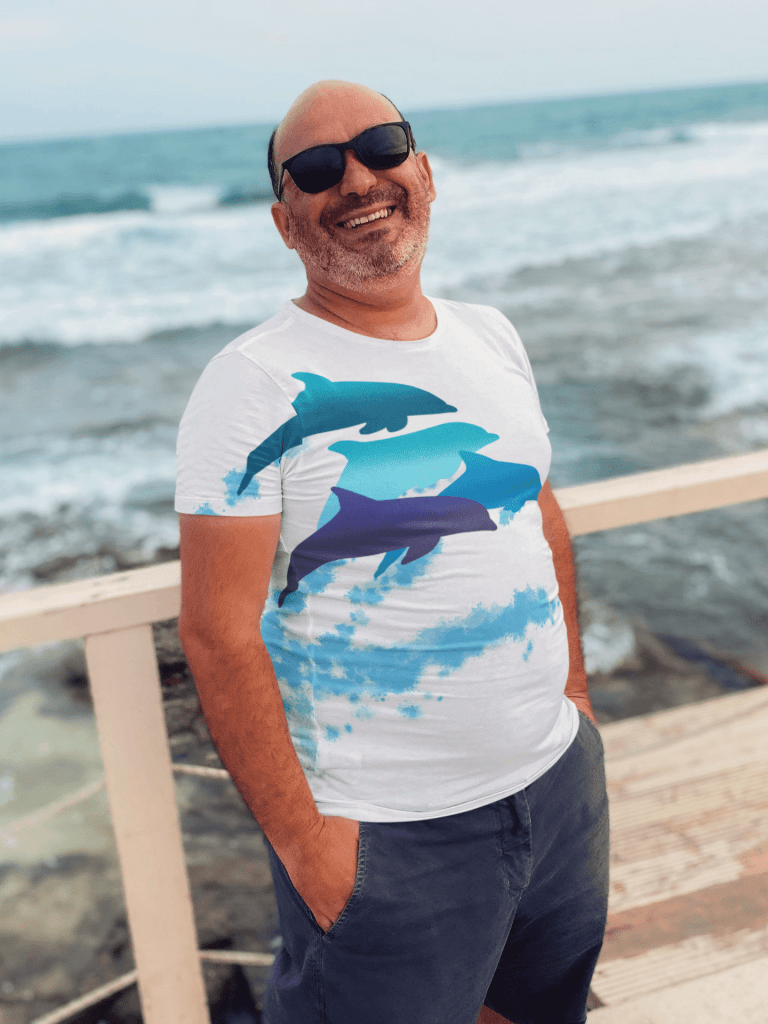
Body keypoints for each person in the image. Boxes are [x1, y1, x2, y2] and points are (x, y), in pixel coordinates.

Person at [175, 79, 609, 1024]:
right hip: (389, 835)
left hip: (556, 785)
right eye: (319, 169)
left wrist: (573, 696)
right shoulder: (249, 384)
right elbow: (215, 633)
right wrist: (307, 845)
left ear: (425, 172)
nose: (359, 178)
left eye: (381, 146)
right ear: (286, 223)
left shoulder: (490, 334)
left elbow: (535, 509)